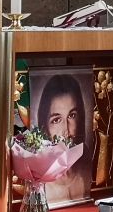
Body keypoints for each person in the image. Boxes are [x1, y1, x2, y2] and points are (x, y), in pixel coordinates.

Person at [37, 73, 92, 204]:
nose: (66, 130)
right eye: (56, 120)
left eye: (72, 115)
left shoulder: (88, 170)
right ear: (45, 127)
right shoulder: (39, 184)